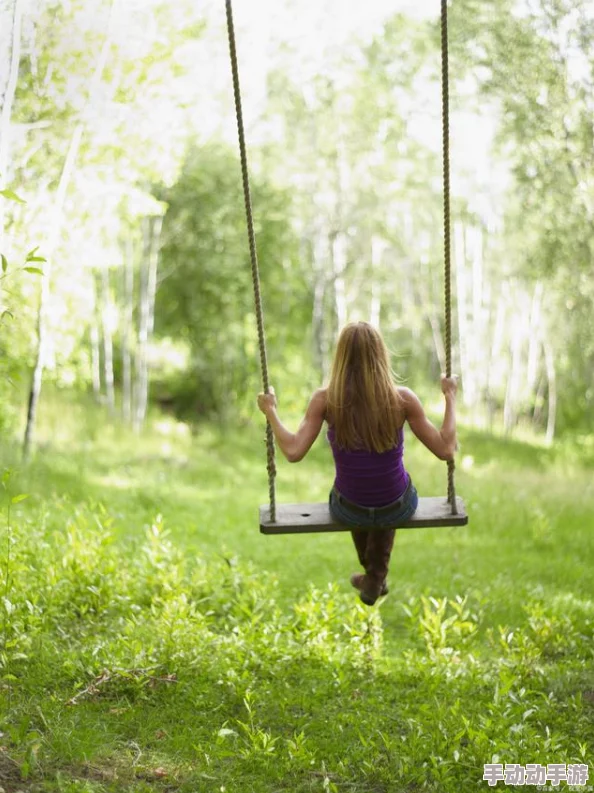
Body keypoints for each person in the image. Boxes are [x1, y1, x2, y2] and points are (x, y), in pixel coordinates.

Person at [257, 321, 458, 606]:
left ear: (340, 358)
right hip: (397, 505)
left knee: (357, 500)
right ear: (380, 355)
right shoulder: (402, 399)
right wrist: (450, 396)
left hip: (348, 508)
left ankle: (373, 576)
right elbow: (446, 449)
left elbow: (292, 451)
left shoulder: (325, 400)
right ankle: (375, 577)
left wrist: (271, 412)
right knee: (387, 500)